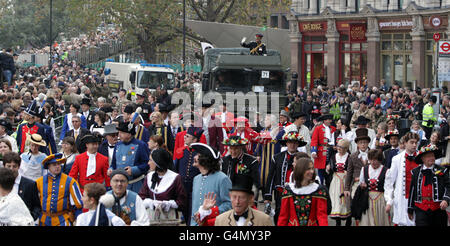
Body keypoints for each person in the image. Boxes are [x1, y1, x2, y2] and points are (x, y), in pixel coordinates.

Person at [264, 130, 307, 224]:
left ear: (298, 144)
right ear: (286, 143)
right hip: (281, 193)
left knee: (296, 215)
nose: (292, 145)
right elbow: (271, 177)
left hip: (299, 193)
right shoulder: (277, 157)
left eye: (295, 143)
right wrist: (268, 196)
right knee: (280, 214)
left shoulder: (304, 159)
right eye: (290, 142)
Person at [139, 148, 187, 224]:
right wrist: (150, 202)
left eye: (151, 160)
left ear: (158, 162)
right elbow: (141, 197)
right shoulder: (149, 176)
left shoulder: (175, 177)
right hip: (151, 217)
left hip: (169, 218)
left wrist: (167, 204)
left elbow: (182, 201)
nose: (148, 163)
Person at [277, 157, 329, 226]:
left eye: (312, 168)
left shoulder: (318, 190)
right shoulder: (289, 190)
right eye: (308, 169)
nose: (312, 171)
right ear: (300, 170)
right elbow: (283, 216)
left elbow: (322, 216)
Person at [190, 143, 232, 226]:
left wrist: (209, 212)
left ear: (205, 159)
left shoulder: (222, 179)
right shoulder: (196, 179)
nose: (194, 157)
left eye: (198, 155)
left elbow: (229, 204)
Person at [36, 153, 84, 226]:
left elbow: (78, 205)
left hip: (63, 220)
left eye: (59, 164)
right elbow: (34, 203)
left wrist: (78, 220)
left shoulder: (70, 181)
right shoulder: (39, 182)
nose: (57, 166)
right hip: (43, 220)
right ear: (48, 166)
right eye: (54, 164)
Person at [384, 132, 420, 226]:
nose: (414, 145)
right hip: (402, 198)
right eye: (412, 142)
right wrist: (389, 200)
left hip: (418, 200)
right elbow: (389, 181)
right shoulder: (397, 159)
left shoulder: (421, 158)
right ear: (405, 143)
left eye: (416, 143)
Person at [408, 144, 449, 226]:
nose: (431, 158)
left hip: (438, 209)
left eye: (432, 156)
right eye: (428, 156)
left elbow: (449, 186)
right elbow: (412, 191)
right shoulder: (415, 172)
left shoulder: (442, 170)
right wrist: (410, 208)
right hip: (421, 209)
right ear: (422, 159)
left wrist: (446, 199)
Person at [110, 121, 150, 193]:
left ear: (129, 134)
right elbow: (113, 163)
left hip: (135, 185)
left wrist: (134, 170)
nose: (119, 135)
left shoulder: (141, 145)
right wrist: (110, 169)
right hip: (119, 185)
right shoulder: (117, 145)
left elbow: (147, 164)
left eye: (121, 133)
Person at [174, 127, 203, 224]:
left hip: (195, 185)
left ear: (194, 139)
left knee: (193, 209)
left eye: (187, 136)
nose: (184, 138)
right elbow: (176, 169)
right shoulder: (181, 151)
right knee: (184, 209)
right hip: (182, 186)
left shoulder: (200, 153)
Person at [354, 149, 390, 226]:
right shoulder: (364, 169)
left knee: (380, 221)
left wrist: (389, 202)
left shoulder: (386, 171)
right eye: (371, 160)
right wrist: (362, 185)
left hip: (380, 200)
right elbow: (361, 183)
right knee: (366, 222)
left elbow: (388, 188)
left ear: (380, 160)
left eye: (375, 160)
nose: (373, 162)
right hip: (366, 200)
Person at [3, 151, 41, 221]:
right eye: (9, 166)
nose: (11, 169)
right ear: (4, 166)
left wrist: (30, 219)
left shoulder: (30, 184)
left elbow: (37, 206)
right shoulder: (1, 184)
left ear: (19, 166)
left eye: (14, 166)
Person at [344, 128, 371, 210]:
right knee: (357, 207)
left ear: (368, 143)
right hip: (356, 184)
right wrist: (347, 188)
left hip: (370, 185)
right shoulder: (353, 156)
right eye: (360, 143)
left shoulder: (373, 154)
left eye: (365, 142)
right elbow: (349, 173)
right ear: (357, 144)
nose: (363, 145)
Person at [327, 139, 352, 226]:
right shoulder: (334, 156)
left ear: (346, 148)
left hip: (345, 180)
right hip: (336, 180)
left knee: (346, 200)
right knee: (336, 199)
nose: (338, 149)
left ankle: (348, 219)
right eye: (338, 147)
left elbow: (351, 169)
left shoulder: (349, 157)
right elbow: (330, 168)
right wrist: (328, 168)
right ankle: (338, 221)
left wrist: (348, 173)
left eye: (341, 147)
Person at [311, 114, 336, 185]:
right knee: (320, 173)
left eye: (330, 120)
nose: (330, 121)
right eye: (328, 120)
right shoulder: (318, 128)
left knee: (330, 171)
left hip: (331, 152)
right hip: (321, 153)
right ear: (324, 121)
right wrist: (313, 151)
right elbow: (314, 141)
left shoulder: (333, 128)